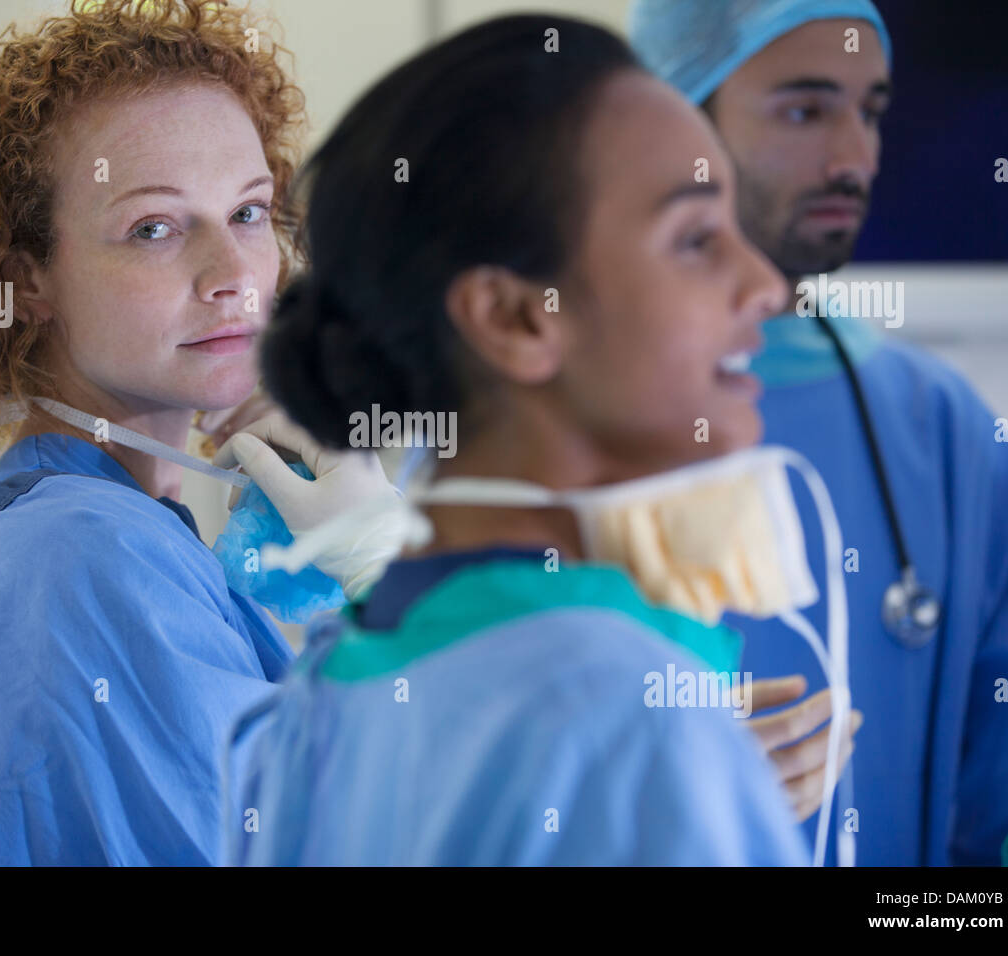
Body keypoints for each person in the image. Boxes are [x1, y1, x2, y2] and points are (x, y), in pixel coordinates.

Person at [215, 14, 812, 866]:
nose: (764, 285)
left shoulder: (321, 698)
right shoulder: (629, 718)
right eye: (695, 239)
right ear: (517, 317)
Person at [0, 0, 389, 865]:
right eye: (154, 228)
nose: (237, 277)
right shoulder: (86, 560)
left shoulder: (104, 528)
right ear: (28, 279)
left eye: (248, 212)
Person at [629, 0, 1008, 865]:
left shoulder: (942, 427)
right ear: (674, 121)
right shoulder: (528, 420)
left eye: (871, 111)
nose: (854, 157)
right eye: (805, 108)